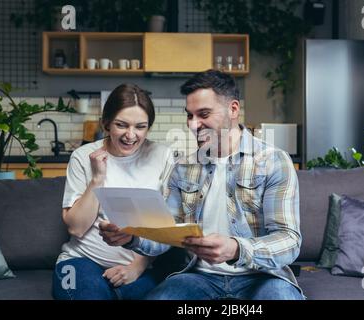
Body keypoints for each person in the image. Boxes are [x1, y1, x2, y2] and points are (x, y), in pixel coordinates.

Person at [100, 70, 304, 300]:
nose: (194, 125)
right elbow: (166, 233)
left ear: (233, 109)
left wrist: (236, 249)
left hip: (262, 277)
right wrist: (131, 237)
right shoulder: (183, 167)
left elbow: (289, 240)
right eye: (189, 115)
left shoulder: (273, 161)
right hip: (199, 277)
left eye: (203, 114)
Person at [52, 84, 174, 300]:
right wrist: (97, 179)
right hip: (80, 261)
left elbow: (166, 228)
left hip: (140, 265)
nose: (131, 135)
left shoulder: (162, 156)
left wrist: (136, 267)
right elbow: (76, 227)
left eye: (140, 127)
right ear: (106, 123)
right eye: (121, 125)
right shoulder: (83, 156)